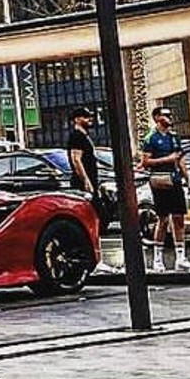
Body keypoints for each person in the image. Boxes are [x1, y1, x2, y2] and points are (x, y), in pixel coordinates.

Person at [138, 109, 190, 274]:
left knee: (179, 218)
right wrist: (167, 159)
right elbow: (145, 162)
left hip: (175, 180)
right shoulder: (151, 138)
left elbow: (181, 160)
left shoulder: (174, 137)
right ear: (157, 118)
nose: (170, 117)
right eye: (166, 115)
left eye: (171, 115)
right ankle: (158, 259)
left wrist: (188, 181)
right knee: (163, 219)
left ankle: (181, 258)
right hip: (160, 181)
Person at [66, 107, 119, 275]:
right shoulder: (76, 136)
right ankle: (94, 261)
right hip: (83, 185)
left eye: (90, 116)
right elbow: (76, 159)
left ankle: (94, 260)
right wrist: (86, 181)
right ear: (76, 119)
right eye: (85, 117)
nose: (90, 119)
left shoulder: (84, 136)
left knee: (97, 219)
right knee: (94, 218)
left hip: (90, 184)